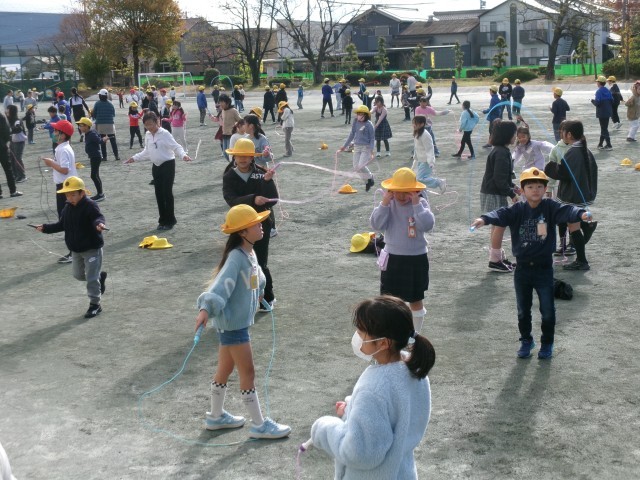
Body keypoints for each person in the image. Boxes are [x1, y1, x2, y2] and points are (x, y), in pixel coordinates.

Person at [471, 167, 591, 359]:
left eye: (539, 186)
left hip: (544, 269)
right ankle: (526, 340)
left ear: (545, 189)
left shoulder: (550, 207)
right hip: (522, 270)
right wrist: (483, 219)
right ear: (522, 190)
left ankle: (547, 343)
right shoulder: (517, 209)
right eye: (530, 187)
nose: (535, 190)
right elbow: (500, 214)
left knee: (548, 310)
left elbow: (568, 210)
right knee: (523, 311)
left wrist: (581, 213)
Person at [310, 295, 435, 479]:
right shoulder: (414, 370)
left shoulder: (373, 389)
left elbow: (359, 453)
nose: (357, 336)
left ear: (383, 343)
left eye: (361, 332)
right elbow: (395, 416)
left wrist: (324, 429)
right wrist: (352, 409)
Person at [194, 204, 290, 439]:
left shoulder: (249, 252)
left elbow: (255, 278)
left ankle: (215, 416)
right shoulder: (236, 257)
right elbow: (220, 286)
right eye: (255, 224)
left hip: (233, 325)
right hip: (234, 327)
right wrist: (205, 309)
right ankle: (259, 425)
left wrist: (260, 293)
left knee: (224, 369)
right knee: (248, 372)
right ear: (242, 232)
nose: (261, 226)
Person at [371, 168, 435, 332]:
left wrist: (417, 205)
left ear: (415, 191)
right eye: (397, 191)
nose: (400, 196)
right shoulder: (389, 203)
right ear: (391, 190)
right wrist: (384, 204)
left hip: (416, 258)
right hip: (392, 258)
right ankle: (391, 333)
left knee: (415, 299)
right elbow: (376, 225)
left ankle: (415, 334)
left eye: (406, 192)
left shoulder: (420, 203)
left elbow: (428, 225)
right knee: (388, 300)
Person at [35, 176, 108, 319]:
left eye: (73, 194)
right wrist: (45, 228)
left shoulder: (90, 205)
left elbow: (98, 218)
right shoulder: (67, 208)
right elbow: (61, 225)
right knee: (78, 275)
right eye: (67, 194)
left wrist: (99, 224)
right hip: (76, 250)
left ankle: (95, 305)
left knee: (91, 278)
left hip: (92, 248)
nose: (69, 197)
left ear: (82, 193)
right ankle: (99, 278)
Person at [222, 138, 279, 309]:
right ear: (234, 156)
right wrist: (253, 199)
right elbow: (231, 200)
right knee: (238, 262)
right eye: (239, 155)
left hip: (260, 224)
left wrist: (267, 182)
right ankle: (244, 298)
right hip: (239, 226)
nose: (243, 159)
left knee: (260, 262)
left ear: (252, 157)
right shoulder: (229, 175)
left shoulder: (261, 173)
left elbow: (273, 199)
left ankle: (267, 298)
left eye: (246, 155)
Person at [544, 120, 598, 271]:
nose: (561, 134)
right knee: (572, 224)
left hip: (573, 195)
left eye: (563, 132)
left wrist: (550, 168)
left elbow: (563, 174)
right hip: (582, 194)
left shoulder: (573, 151)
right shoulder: (583, 149)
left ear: (568, 134)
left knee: (573, 227)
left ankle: (582, 261)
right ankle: (587, 227)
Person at [124, 112, 192, 230]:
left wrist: (183, 155)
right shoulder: (148, 135)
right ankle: (162, 220)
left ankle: (170, 220)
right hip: (156, 166)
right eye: (146, 125)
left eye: (151, 124)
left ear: (157, 122)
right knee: (158, 193)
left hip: (168, 165)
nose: (149, 127)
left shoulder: (164, 134)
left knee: (167, 193)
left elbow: (176, 147)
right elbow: (147, 151)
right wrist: (134, 158)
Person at [479, 119, 519, 273]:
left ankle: (498, 256)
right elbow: (499, 179)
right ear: (507, 135)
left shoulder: (500, 150)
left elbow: (502, 178)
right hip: (494, 193)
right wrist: (511, 193)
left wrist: (514, 187)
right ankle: (495, 260)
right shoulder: (501, 152)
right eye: (514, 134)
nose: (515, 137)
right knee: (500, 225)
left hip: (492, 191)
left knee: (497, 225)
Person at [41, 119, 79, 263]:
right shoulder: (63, 147)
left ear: (63, 135)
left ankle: (74, 252)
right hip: (66, 187)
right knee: (67, 219)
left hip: (66, 188)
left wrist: (51, 163)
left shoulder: (63, 149)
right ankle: (73, 251)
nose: (54, 133)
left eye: (56, 131)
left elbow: (64, 169)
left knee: (67, 220)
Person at [338, 105, 375, 192]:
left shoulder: (369, 125)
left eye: (361, 114)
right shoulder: (355, 122)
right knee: (356, 167)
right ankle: (367, 182)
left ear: (366, 115)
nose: (358, 116)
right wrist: (344, 146)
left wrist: (371, 150)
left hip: (366, 147)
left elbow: (372, 138)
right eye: (358, 114)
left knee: (361, 165)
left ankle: (370, 177)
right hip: (357, 147)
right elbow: (352, 134)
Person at [411, 115, 446, 194]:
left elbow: (430, 149)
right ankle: (422, 193)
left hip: (426, 161)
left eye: (415, 123)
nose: (413, 125)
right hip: (420, 160)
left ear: (422, 124)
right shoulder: (417, 133)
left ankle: (439, 182)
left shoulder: (425, 135)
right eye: (413, 123)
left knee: (420, 178)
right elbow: (416, 147)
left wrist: (431, 161)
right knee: (417, 178)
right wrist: (415, 158)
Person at [76, 117, 105, 202]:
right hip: (93, 156)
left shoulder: (91, 134)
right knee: (96, 175)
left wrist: (103, 140)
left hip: (96, 156)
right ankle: (100, 194)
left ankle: (100, 194)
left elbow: (99, 141)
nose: (79, 127)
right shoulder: (89, 133)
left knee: (93, 175)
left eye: (81, 125)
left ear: (86, 126)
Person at [92, 88, 120, 161]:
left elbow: (94, 114)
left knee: (103, 141)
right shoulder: (110, 104)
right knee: (113, 141)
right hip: (110, 124)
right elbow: (113, 114)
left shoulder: (97, 103)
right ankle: (116, 156)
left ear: (100, 96)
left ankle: (104, 157)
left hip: (100, 124)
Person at [213, 93, 243, 161]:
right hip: (224, 134)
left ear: (227, 102)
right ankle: (233, 164)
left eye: (222, 102)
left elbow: (241, 121)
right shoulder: (223, 111)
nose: (220, 104)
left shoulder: (233, 110)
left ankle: (234, 164)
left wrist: (237, 128)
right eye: (220, 102)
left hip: (231, 135)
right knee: (225, 153)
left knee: (231, 154)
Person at [0, 111, 22, 200]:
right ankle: (13, 191)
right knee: (8, 170)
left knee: (8, 170)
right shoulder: (1, 116)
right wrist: (5, 142)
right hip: (2, 147)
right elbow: (7, 131)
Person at [592, 75, 613, 150]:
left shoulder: (599, 92)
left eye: (597, 82)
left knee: (604, 129)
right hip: (608, 112)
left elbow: (597, 103)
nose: (597, 83)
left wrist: (592, 101)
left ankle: (609, 145)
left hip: (601, 112)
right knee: (604, 128)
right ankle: (600, 144)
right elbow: (612, 101)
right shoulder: (608, 90)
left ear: (599, 83)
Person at [7, 105, 27, 183]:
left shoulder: (17, 120)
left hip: (19, 142)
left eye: (8, 110)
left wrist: (10, 130)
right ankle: (16, 175)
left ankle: (22, 176)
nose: (7, 111)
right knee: (12, 158)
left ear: (11, 111)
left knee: (18, 159)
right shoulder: (9, 120)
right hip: (13, 141)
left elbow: (18, 129)